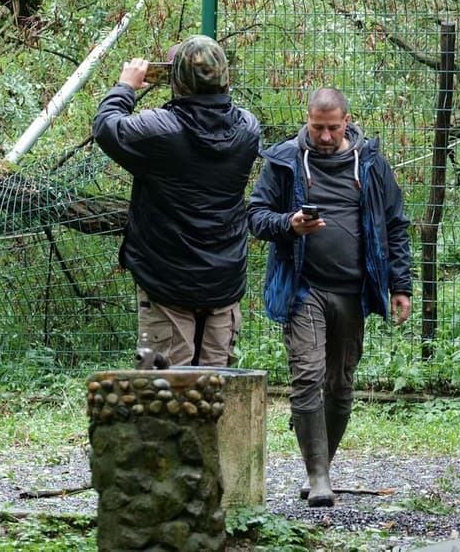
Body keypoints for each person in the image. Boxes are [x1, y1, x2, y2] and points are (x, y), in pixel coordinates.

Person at [248, 87, 412, 509]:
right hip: (304, 288)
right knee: (307, 374)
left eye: (332, 128)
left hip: (355, 291)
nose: (323, 136)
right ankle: (319, 477)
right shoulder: (284, 161)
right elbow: (256, 216)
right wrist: (289, 223)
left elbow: (395, 226)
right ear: (307, 119)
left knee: (340, 386)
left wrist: (401, 286)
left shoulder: (372, 163)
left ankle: (320, 465)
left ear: (346, 121)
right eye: (317, 127)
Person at [93, 34, 262, 369]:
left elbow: (106, 126)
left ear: (177, 80)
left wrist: (126, 86)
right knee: (216, 393)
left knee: (165, 395)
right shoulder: (248, 129)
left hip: (167, 280)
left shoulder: (159, 131)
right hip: (223, 280)